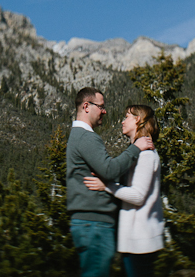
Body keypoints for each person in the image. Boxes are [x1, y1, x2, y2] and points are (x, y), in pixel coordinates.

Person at [67, 87, 154, 277]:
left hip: (90, 224)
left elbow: (107, 172)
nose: (105, 111)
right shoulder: (86, 138)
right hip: (94, 224)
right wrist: (135, 149)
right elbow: (110, 170)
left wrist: (107, 182)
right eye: (101, 106)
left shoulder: (79, 137)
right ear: (86, 106)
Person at [83, 105, 164, 277]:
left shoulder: (146, 155)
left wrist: (106, 186)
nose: (122, 121)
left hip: (140, 242)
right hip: (134, 241)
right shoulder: (140, 153)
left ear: (138, 120)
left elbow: (137, 196)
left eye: (127, 116)